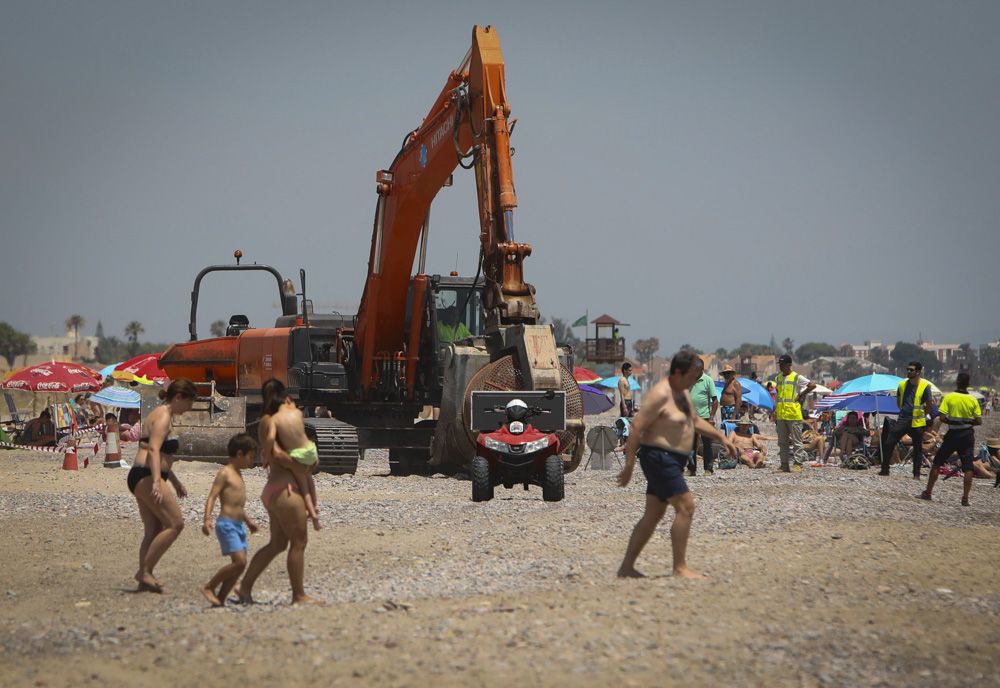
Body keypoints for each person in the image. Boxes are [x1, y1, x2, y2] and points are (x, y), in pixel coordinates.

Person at [616, 350, 738, 579]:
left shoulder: (681, 393)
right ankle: (679, 567)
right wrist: (629, 466)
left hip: (670, 459)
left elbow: (695, 421)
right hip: (660, 459)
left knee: (653, 514)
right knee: (686, 507)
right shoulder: (660, 394)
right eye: (693, 374)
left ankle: (626, 567)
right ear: (679, 372)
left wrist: (721, 438)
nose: (696, 379)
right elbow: (636, 427)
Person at [239, 378, 321, 606]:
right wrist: (300, 467)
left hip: (275, 489)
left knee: (277, 544)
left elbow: (270, 451)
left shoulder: (267, 420)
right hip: (286, 491)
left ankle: (244, 588)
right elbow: (275, 453)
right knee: (299, 542)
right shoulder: (276, 419)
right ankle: (299, 596)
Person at [127, 378, 197, 593]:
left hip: (141, 475)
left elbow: (160, 453)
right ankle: (145, 572)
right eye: (189, 402)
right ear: (178, 397)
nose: (190, 408)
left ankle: (144, 581)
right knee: (176, 524)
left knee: (153, 530)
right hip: (147, 476)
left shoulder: (160, 414)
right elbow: (155, 450)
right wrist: (157, 482)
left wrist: (174, 481)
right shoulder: (164, 416)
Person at [201, 433, 260, 607]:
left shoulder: (239, 474)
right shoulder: (225, 473)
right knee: (240, 561)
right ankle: (209, 586)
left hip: (238, 525)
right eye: (250, 457)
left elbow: (238, 506)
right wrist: (207, 518)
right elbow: (212, 497)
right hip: (226, 524)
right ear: (240, 454)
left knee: (239, 566)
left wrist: (249, 522)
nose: (251, 461)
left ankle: (220, 598)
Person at [264, 381, 321, 531]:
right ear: (288, 401)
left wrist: (265, 455)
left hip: (298, 455)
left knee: (304, 487)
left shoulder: (274, 419)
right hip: (311, 450)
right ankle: (316, 505)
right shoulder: (298, 413)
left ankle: (313, 514)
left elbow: (270, 439)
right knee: (309, 478)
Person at [919, 373, 981, 506]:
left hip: (953, 434)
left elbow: (941, 417)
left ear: (957, 382)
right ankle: (965, 498)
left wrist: (953, 422)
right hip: (967, 435)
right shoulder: (973, 400)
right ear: (968, 383)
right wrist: (966, 422)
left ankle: (928, 492)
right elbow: (978, 421)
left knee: (938, 462)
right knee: (968, 466)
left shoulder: (949, 397)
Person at [880, 361, 934, 479]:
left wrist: (925, 414)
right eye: (908, 369)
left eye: (911, 370)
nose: (908, 371)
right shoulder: (902, 384)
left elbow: (929, 403)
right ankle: (884, 470)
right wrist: (904, 410)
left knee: (917, 448)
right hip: (903, 419)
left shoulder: (925, 386)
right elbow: (899, 400)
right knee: (889, 442)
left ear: (918, 372)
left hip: (917, 421)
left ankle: (916, 474)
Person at [772, 355, 816, 472]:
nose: (780, 367)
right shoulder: (778, 378)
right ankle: (784, 465)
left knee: (797, 441)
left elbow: (812, 385)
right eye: (779, 365)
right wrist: (775, 410)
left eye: (782, 364)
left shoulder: (797, 377)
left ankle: (798, 463)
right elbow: (779, 396)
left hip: (793, 414)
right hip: (781, 414)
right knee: (782, 442)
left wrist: (801, 394)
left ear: (789, 365)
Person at [687, 357, 718, 476]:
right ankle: (691, 468)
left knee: (707, 444)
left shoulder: (708, 380)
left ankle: (708, 469)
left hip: (704, 417)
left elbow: (715, 401)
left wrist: (711, 417)